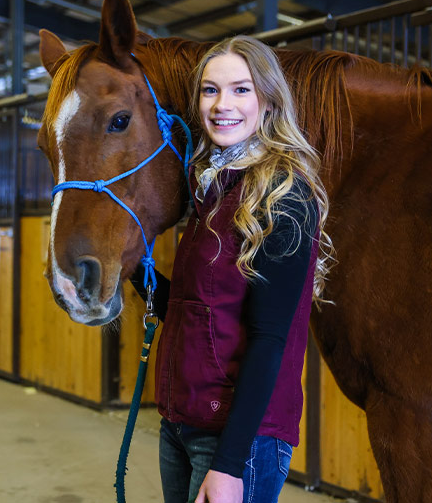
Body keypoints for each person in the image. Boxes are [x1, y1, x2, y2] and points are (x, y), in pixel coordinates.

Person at [132, 35, 333, 503]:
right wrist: (131, 265)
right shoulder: (212, 188)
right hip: (181, 423)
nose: (223, 104)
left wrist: (229, 465)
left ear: (268, 100)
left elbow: (270, 340)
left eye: (241, 89)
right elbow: (194, 314)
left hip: (241, 440)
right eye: (210, 90)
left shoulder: (285, 195)